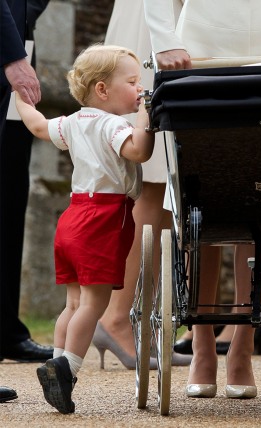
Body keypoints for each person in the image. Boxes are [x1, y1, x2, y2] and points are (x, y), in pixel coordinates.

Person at [144, 0, 261, 399]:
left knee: (259, 192)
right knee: (198, 194)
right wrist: (164, 38)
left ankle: (243, 346)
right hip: (198, 45)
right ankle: (201, 347)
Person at [15, 44, 155, 413]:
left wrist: (20, 95)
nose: (139, 89)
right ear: (102, 89)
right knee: (94, 303)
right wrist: (146, 115)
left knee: (73, 302)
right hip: (105, 217)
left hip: (73, 216)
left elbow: (36, 125)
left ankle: (57, 362)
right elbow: (139, 152)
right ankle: (67, 367)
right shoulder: (114, 125)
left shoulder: (73, 123)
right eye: (132, 82)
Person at [93, 0, 192, 370]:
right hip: (156, 22)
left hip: (171, 19)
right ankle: (118, 317)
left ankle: (130, 318)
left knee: (162, 182)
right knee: (152, 181)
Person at [0, 0, 53, 364]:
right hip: (11, 52)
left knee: (9, 196)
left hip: (18, 46)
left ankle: (4, 329)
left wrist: (23, 14)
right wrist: (12, 53)